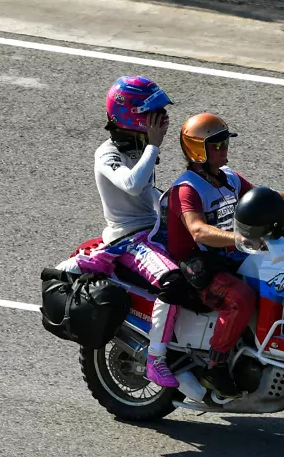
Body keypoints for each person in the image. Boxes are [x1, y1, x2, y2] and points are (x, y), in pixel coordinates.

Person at [158, 112, 284, 398]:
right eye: (216, 145)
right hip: (197, 266)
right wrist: (240, 239)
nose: (224, 148)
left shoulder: (228, 179)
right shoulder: (186, 189)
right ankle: (215, 367)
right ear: (197, 150)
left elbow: (271, 200)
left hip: (229, 256)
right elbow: (199, 231)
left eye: (225, 142)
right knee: (240, 298)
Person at [56, 76, 182, 388]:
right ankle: (156, 359)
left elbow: (148, 192)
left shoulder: (137, 146)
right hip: (130, 239)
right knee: (175, 283)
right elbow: (132, 184)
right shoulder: (108, 153)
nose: (162, 119)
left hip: (153, 231)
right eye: (154, 113)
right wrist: (153, 145)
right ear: (133, 116)